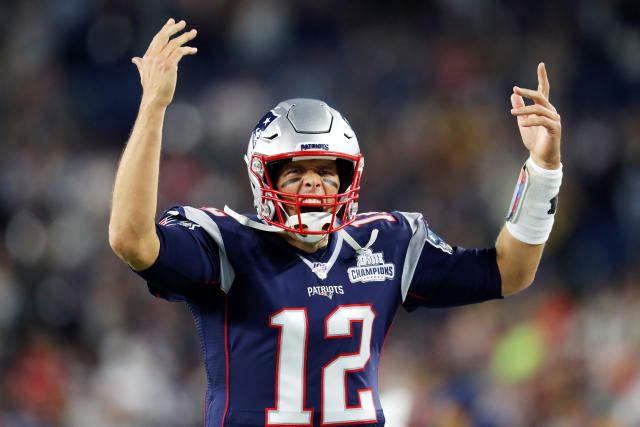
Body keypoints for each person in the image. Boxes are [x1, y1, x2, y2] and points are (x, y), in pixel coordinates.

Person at [109, 19, 562, 427]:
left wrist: (543, 169)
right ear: (262, 176)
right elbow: (131, 238)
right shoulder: (226, 246)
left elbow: (511, 272)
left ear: (349, 177)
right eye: (295, 172)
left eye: (327, 172)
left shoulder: (388, 243)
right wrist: (153, 107)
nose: (314, 185)